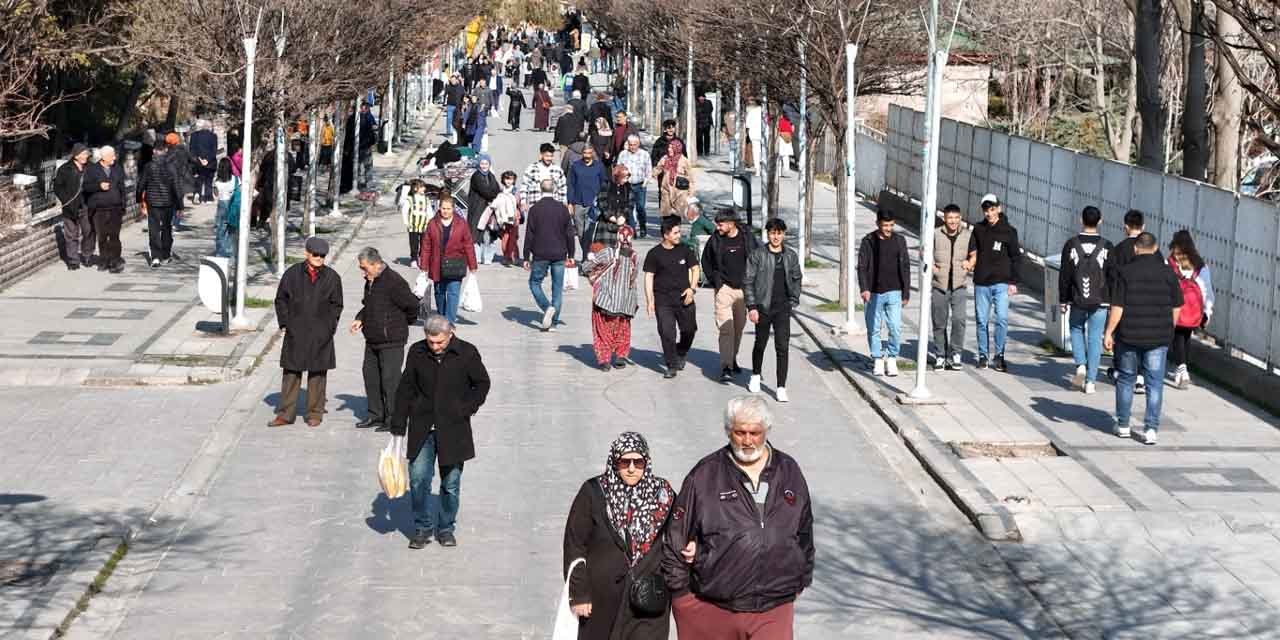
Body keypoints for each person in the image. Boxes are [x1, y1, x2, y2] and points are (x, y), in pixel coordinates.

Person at [662, 396, 814, 639]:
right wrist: (681, 596)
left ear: (766, 430)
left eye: (755, 433)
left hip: (774, 606)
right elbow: (675, 537)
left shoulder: (789, 471)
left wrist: (802, 577)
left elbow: (805, 530)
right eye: (739, 432)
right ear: (728, 431)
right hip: (714, 606)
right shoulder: (705, 474)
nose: (747, 440)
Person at [390, 313, 491, 549]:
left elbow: (482, 383)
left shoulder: (466, 353)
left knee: (450, 483)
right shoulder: (416, 352)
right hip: (422, 427)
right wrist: (398, 423)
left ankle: (445, 527)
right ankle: (422, 527)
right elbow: (405, 387)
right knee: (418, 480)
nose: (435, 347)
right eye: (431, 342)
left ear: (450, 334)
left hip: (454, 428)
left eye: (440, 342)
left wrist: (466, 407)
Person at [563, 432, 675, 638]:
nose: (632, 468)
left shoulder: (664, 495)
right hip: (601, 601)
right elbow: (575, 543)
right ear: (615, 462)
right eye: (625, 462)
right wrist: (578, 593)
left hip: (647, 602)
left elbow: (678, 536)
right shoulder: (594, 492)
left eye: (638, 462)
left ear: (647, 463)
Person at [1104, 232, 1183, 446]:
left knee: (1126, 379)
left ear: (1136, 249)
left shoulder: (1125, 273)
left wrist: (1109, 332)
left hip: (1129, 335)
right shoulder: (1168, 274)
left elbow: (1117, 307)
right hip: (1158, 337)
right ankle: (1150, 429)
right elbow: (1177, 306)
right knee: (1154, 383)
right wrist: (1170, 328)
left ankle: (1122, 425)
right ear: (1156, 248)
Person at [269, 237, 343, 428]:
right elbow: (281, 300)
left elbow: (337, 305)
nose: (319, 258)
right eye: (316, 254)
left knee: (318, 374)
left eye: (323, 255)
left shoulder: (332, 277)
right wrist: (285, 323)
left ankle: (315, 413)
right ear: (307, 253)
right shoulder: (292, 274)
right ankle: (285, 413)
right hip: (296, 331)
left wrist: (330, 326)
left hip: (321, 332)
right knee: (291, 373)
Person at [350, 247, 418, 431]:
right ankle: (375, 415)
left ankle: (394, 418)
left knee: (391, 380)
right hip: (372, 338)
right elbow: (368, 305)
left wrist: (400, 324)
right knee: (371, 376)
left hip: (392, 340)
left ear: (375, 264)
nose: (362, 272)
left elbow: (412, 305)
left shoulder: (393, 281)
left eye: (364, 268)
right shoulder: (370, 281)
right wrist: (360, 318)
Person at [743, 218, 803, 403]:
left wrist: (794, 299)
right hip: (763, 306)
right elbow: (747, 281)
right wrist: (752, 306)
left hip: (783, 307)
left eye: (779, 233)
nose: (776, 236)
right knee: (760, 343)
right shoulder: (758, 255)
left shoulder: (791, 256)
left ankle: (781, 386)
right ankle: (755, 374)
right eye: (772, 233)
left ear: (783, 234)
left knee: (782, 347)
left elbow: (796, 278)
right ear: (767, 234)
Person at [1058, 206, 1114, 394]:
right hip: (1102, 300)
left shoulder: (1071, 244)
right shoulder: (1107, 246)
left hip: (1077, 298)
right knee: (1095, 338)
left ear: (1080, 220)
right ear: (1100, 221)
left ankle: (1080, 365)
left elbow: (1065, 275)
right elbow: (1112, 275)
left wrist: (1063, 300)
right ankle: (1090, 381)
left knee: (1075, 328)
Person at [1106, 209, 1160, 394]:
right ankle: (1141, 375)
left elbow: (1111, 275)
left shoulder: (1119, 249)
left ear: (1125, 227)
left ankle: (1121, 370)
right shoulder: (1153, 251)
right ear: (1143, 226)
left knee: (1124, 338)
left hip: (1123, 300)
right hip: (1149, 302)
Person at [702, 208, 760, 383]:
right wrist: (716, 282)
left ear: (731, 223)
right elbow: (706, 261)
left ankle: (732, 358)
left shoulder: (748, 238)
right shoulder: (715, 240)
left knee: (738, 328)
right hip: (724, 290)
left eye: (720, 224)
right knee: (726, 329)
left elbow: (758, 258)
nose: (717, 227)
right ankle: (726, 366)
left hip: (744, 290)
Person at [969, 194, 1021, 372]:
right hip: (982, 282)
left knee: (1002, 319)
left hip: (1001, 283)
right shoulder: (978, 229)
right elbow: (973, 251)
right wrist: (969, 262)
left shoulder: (1009, 231)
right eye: (986, 210)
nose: (989, 213)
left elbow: (1016, 257)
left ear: (999, 208)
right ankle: (983, 355)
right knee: (981, 320)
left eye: (992, 209)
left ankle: (999, 355)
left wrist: (1013, 282)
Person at [644, 216, 700, 379]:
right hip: (663, 300)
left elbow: (695, 269)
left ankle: (681, 351)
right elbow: (649, 277)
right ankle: (671, 364)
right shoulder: (654, 254)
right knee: (667, 332)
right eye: (675, 233)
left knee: (689, 330)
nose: (678, 235)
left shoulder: (685, 250)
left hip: (685, 298)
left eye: (679, 232)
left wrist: (692, 289)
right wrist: (650, 301)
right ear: (666, 234)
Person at [857, 209, 910, 377]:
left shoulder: (900, 241)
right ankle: (878, 358)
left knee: (895, 327)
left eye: (891, 225)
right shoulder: (868, 241)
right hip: (873, 293)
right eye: (885, 225)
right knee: (873, 328)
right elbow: (862, 267)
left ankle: (892, 357)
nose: (888, 229)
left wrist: (906, 292)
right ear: (878, 224)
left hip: (894, 291)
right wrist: (864, 288)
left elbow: (906, 267)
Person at [582, 225, 641, 371]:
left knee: (602, 328)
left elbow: (586, 267)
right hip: (625, 302)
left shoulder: (608, 253)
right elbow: (633, 278)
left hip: (605, 299)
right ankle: (621, 355)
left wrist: (590, 265)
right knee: (622, 328)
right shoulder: (635, 257)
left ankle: (605, 359)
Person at [524, 179, 578, 331]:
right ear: (554, 190)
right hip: (560, 253)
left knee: (534, 283)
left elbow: (529, 235)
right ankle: (554, 322)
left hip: (540, 253)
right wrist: (571, 253)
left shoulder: (535, 209)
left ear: (541, 189)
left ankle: (547, 307)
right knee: (557, 288)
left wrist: (526, 256)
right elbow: (569, 233)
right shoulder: (562, 209)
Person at [1167, 230, 1214, 390]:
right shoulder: (1201, 265)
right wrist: (1207, 312)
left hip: (1176, 307)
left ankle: (1182, 368)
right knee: (1186, 337)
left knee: (1178, 337)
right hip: (1194, 310)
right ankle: (1182, 368)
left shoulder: (1171, 262)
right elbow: (1207, 289)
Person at [419, 197, 478, 325]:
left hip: (455, 264)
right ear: (439, 208)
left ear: (453, 209)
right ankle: (441, 315)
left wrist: (472, 265)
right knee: (439, 293)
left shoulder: (461, 223)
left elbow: (468, 244)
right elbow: (426, 246)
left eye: (448, 209)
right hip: (437, 264)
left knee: (453, 293)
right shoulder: (432, 224)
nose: (445, 211)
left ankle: (449, 322)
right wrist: (423, 265)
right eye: (443, 208)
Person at [931, 204, 974, 371]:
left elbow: (974, 255)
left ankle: (956, 353)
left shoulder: (967, 235)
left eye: (956, 218)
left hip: (959, 285)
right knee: (939, 322)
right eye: (950, 218)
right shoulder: (935, 234)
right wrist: (934, 269)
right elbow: (924, 252)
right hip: (939, 285)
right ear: (944, 218)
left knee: (959, 320)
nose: (953, 221)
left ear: (960, 218)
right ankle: (940, 355)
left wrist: (970, 263)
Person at [137, 141, 183, 268]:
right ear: (166, 151)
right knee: (167, 228)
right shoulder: (171, 167)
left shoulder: (149, 166)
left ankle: (156, 257)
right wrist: (180, 205)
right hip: (168, 202)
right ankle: (166, 255)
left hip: (152, 202)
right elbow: (177, 187)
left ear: (154, 151)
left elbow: (141, 184)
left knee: (154, 229)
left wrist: (139, 200)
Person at [83, 145, 127, 273]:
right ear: (103, 157)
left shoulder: (117, 168)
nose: (114, 157)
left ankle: (115, 261)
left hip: (115, 208)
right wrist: (98, 186)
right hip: (99, 209)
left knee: (114, 236)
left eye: (114, 155)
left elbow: (122, 188)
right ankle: (103, 261)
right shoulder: (92, 169)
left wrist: (123, 204)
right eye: (111, 155)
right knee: (102, 237)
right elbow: (86, 187)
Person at [54, 143, 93, 270]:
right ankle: (73, 260)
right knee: (71, 235)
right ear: (76, 155)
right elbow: (57, 187)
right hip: (70, 207)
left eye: (86, 153)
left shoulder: (90, 168)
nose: (86, 156)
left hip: (86, 206)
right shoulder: (64, 169)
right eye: (84, 154)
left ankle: (87, 255)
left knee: (88, 232)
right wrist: (66, 201)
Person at [568, 146, 609, 255]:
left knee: (590, 232)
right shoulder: (575, 166)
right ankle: (587, 253)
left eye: (589, 153)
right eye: (585, 153)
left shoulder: (599, 166)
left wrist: (603, 200)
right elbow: (571, 184)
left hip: (594, 204)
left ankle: (587, 256)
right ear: (582, 154)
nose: (587, 155)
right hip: (578, 202)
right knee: (581, 232)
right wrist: (570, 203)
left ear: (592, 154)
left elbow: (604, 184)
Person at [467, 156, 502, 264]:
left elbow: (497, 188)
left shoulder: (491, 175)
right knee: (476, 232)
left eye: (486, 163)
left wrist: (494, 197)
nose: (484, 166)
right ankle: (475, 257)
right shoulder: (476, 176)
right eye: (482, 163)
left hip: (489, 207)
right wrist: (494, 197)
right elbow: (484, 190)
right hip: (477, 206)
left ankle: (487, 257)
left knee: (490, 231)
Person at [591, 164, 632, 254]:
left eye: (627, 177)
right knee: (602, 253)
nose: (626, 180)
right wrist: (610, 217)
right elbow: (602, 202)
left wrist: (624, 216)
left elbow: (630, 203)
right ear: (617, 176)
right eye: (624, 177)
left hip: (621, 223)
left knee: (621, 253)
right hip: (606, 224)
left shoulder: (628, 187)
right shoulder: (606, 185)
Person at [615, 134, 651, 235]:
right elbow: (618, 169)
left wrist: (645, 182)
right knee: (629, 208)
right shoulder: (623, 154)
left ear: (638, 144)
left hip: (640, 185)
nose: (632, 147)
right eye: (630, 144)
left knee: (640, 207)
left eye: (635, 144)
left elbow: (648, 170)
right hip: (627, 185)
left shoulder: (644, 154)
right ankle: (632, 229)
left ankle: (643, 225)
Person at [520, 143, 568, 209]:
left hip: (553, 206)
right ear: (541, 155)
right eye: (547, 156)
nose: (549, 158)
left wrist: (564, 203)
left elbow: (563, 188)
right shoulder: (531, 169)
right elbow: (524, 186)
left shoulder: (557, 170)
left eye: (551, 156)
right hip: (535, 204)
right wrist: (523, 202)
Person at [488, 170, 522, 265]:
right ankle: (506, 256)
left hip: (514, 217)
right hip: (503, 218)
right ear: (503, 180)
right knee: (505, 237)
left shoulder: (515, 191)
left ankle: (514, 257)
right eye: (507, 179)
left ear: (514, 180)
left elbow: (518, 203)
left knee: (513, 237)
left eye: (511, 179)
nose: (508, 181)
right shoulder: (501, 190)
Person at [399, 179, 432, 268]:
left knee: (424, 243)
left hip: (424, 225)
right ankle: (414, 259)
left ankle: (422, 258)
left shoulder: (426, 199)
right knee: (414, 243)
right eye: (421, 187)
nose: (424, 189)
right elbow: (404, 211)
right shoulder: (410, 199)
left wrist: (431, 221)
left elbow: (429, 211)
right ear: (415, 188)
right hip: (413, 226)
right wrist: (406, 222)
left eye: (424, 187)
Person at [657, 139, 694, 218]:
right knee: (666, 216)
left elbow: (691, 179)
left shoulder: (684, 161)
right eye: (669, 147)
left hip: (679, 193)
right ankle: (665, 230)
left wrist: (691, 194)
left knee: (677, 217)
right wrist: (648, 176)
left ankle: (676, 229)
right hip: (666, 191)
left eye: (671, 147)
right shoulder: (665, 158)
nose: (669, 149)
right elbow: (657, 169)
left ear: (677, 148)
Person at [213, 158, 238, 258]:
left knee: (221, 229)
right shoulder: (236, 179)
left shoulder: (217, 182)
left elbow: (216, 194)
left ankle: (220, 252)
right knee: (232, 229)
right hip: (233, 205)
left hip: (222, 204)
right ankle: (230, 252)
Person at [189, 120, 218, 204]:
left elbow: (192, 150)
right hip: (210, 163)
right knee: (209, 181)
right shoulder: (213, 136)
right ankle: (208, 197)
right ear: (209, 127)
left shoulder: (194, 135)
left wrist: (200, 159)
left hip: (198, 163)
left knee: (198, 180)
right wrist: (207, 160)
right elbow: (214, 150)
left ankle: (197, 194)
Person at [444, 74, 465, 138]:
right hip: (450, 105)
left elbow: (463, 95)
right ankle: (448, 132)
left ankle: (457, 132)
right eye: (451, 80)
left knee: (457, 120)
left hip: (457, 106)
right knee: (449, 119)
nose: (453, 81)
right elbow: (445, 95)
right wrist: (444, 104)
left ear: (456, 80)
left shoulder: (460, 87)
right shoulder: (448, 86)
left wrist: (463, 104)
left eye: (454, 80)